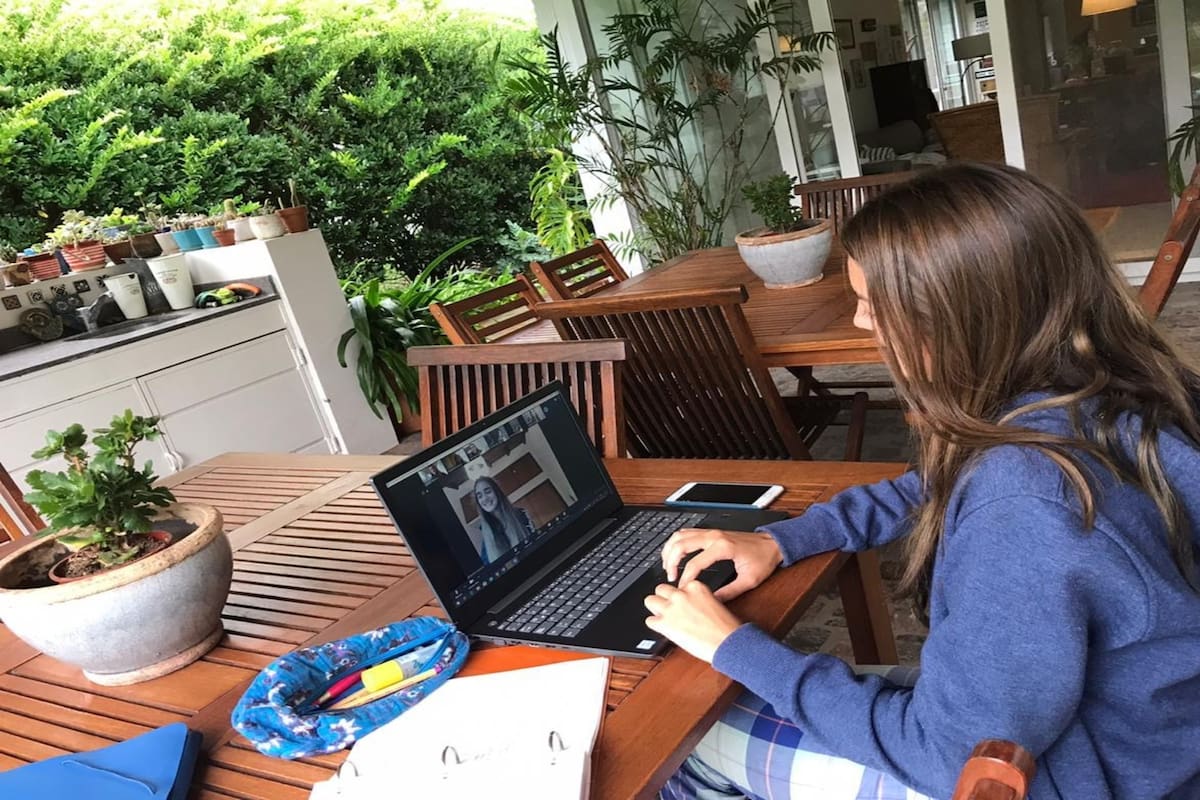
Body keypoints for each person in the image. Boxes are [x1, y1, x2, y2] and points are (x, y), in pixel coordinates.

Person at [645, 164, 1200, 799]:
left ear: (960, 317)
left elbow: (949, 756)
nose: (861, 324)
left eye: (872, 305)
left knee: (686, 742)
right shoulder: (1102, 394)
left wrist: (733, 646)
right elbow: (934, 487)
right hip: (1141, 739)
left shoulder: (1026, 500)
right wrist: (785, 540)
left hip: (1076, 777)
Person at [473, 476, 534, 564]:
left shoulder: (521, 515)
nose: (485, 499)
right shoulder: (486, 542)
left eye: (488, 491)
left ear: (497, 492)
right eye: (480, 496)